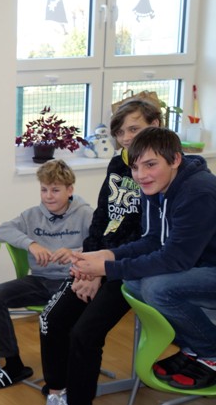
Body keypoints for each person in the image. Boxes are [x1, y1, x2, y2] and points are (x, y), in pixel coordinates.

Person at [23, 98, 162, 405]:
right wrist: (87, 261)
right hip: (98, 259)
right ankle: (56, 400)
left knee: (84, 334)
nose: (126, 138)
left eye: (134, 129)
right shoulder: (118, 162)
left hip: (130, 268)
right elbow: (103, 215)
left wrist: (101, 271)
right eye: (121, 132)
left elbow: (145, 236)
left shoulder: (157, 171)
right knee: (51, 319)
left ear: (156, 126)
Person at [71, 127, 216, 390]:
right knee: (134, 284)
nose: (141, 175)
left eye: (151, 165)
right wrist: (108, 254)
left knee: (157, 287)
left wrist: (106, 268)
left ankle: (211, 352)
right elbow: (152, 240)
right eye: (136, 167)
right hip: (199, 266)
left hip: (206, 267)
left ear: (175, 160)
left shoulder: (198, 191)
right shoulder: (155, 187)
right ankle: (193, 347)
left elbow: (176, 260)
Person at [0, 160, 93, 390]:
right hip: (40, 280)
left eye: (55, 190)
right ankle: (13, 364)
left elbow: (100, 246)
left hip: (71, 281)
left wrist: (75, 253)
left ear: (70, 190)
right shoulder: (32, 215)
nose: (48, 196)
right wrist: (31, 244)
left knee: (52, 317)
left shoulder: (85, 214)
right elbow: (2, 231)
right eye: (44, 190)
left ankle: (58, 378)